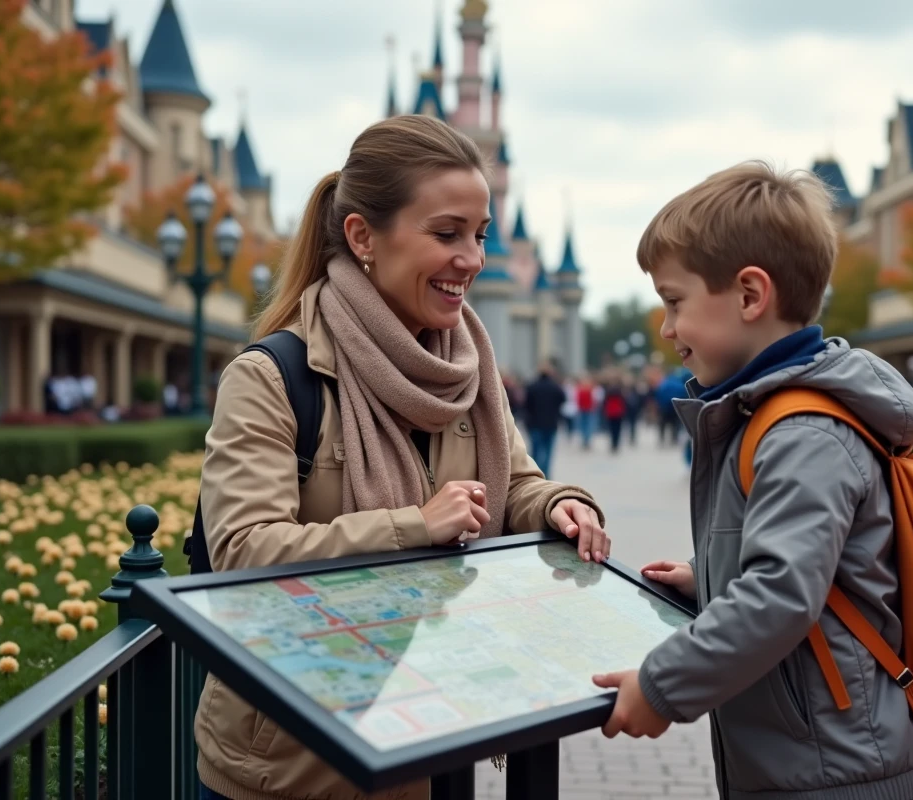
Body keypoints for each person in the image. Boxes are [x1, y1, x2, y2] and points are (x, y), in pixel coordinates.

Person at [194, 115, 611, 800]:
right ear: (363, 236)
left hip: (437, 738)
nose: (473, 258)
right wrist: (413, 526)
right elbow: (243, 552)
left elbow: (517, 487)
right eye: (447, 234)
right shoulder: (275, 377)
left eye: (479, 235)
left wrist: (562, 506)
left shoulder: (468, 371)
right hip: (295, 769)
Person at [591, 162, 913, 800]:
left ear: (750, 295)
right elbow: (810, 567)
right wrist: (712, 576)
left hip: (832, 769)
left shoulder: (802, 433)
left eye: (674, 302)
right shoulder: (770, 418)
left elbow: (781, 592)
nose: (666, 330)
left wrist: (661, 685)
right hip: (812, 759)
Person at [522, 360, 567, 478]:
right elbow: (563, 400)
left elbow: (526, 404)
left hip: (535, 422)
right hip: (551, 423)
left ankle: (535, 473)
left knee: (536, 450)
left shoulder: (532, 386)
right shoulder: (555, 387)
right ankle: (545, 474)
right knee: (548, 450)